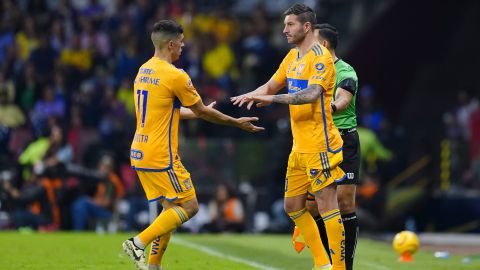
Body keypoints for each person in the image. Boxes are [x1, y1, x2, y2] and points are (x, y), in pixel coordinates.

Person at [122, 20, 263, 270]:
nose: (184, 46)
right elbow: (202, 112)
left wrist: (198, 112)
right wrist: (236, 122)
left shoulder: (144, 70)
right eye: (182, 42)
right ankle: (138, 242)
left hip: (139, 150)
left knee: (170, 211)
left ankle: (153, 266)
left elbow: (164, 111)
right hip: (161, 155)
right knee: (190, 206)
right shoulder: (175, 75)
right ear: (171, 43)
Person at [231, 4, 345, 270]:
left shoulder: (321, 57)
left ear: (306, 27)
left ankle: (337, 268)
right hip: (299, 146)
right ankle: (322, 263)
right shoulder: (292, 57)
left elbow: (311, 95)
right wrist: (252, 94)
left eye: (290, 24)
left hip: (320, 144)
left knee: (328, 205)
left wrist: (270, 99)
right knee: (292, 206)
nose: (284, 30)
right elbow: (271, 84)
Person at [292, 23, 361, 270]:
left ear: (323, 45)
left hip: (344, 140)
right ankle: (324, 263)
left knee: (344, 203)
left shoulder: (345, 71)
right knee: (312, 206)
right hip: (317, 141)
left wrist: (326, 107)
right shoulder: (311, 69)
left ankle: (344, 266)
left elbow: (343, 99)